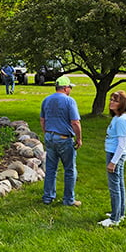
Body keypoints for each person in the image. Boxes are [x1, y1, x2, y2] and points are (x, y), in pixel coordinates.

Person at [40, 75, 82, 207]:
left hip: (49, 137)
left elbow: (42, 120)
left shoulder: (46, 100)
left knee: (51, 168)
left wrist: (46, 133)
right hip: (64, 138)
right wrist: (79, 138)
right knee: (69, 169)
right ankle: (69, 199)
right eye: (70, 87)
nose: (70, 89)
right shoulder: (69, 101)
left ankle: (48, 197)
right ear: (65, 88)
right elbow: (75, 122)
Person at [99, 90, 126, 228]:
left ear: (123, 104)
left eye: (115, 100)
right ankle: (120, 212)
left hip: (115, 155)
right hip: (115, 153)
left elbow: (122, 143)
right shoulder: (119, 117)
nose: (111, 102)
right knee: (119, 184)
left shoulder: (122, 121)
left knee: (114, 187)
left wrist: (113, 162)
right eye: (111, 99)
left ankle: (114, 219)